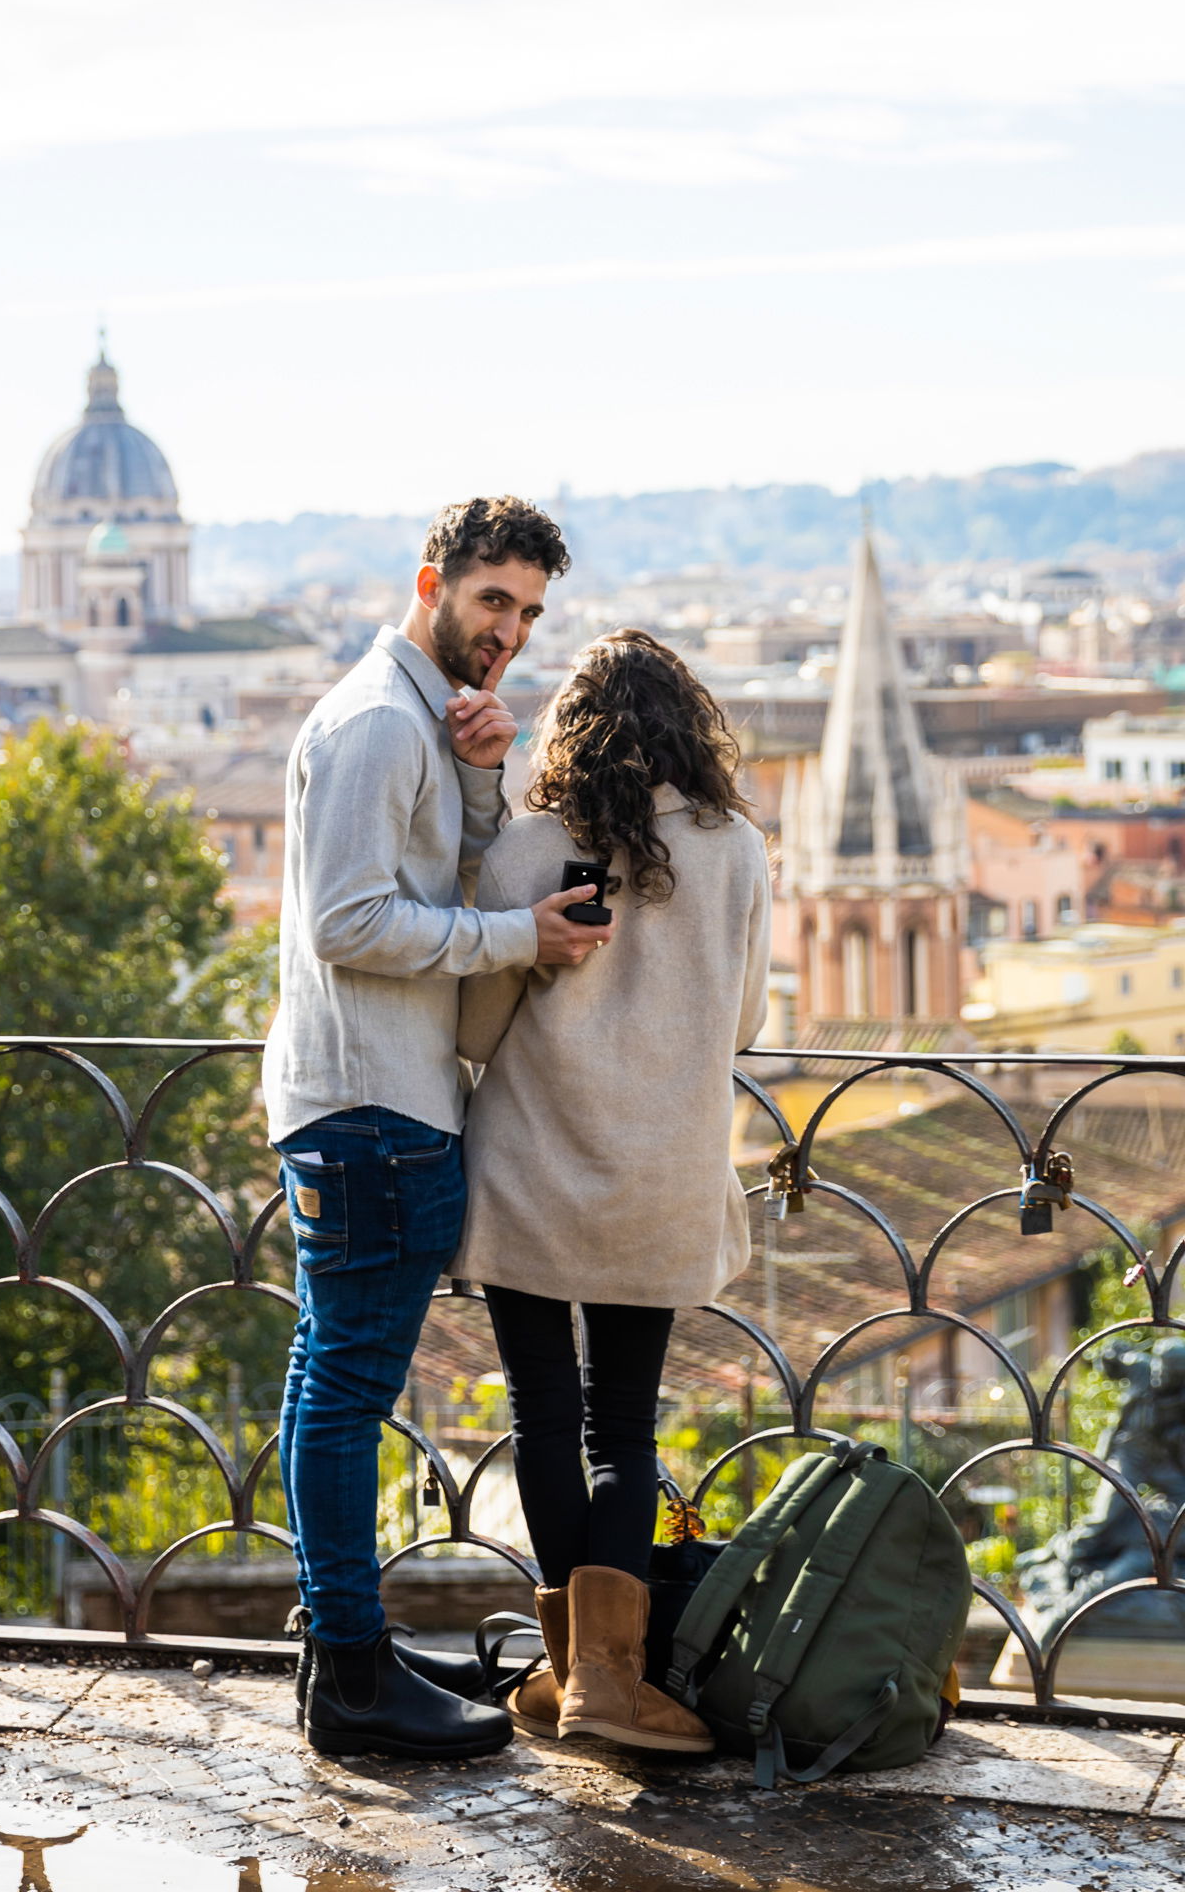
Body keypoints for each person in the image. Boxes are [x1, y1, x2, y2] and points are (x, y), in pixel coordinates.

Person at [262, 496, 613, 1760]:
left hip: (371, 1098)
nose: (509, 632)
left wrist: (477, 773)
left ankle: (343, 1647)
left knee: (331, 1383)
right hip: (369, 1105)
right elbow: (352, 921)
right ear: (431, 582)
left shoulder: (414, 718)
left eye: (527, 612)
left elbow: (436, 875)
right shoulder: (369, 724)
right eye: (491, 603)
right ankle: (351, 1680)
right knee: (345, 1390)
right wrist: (520, 938)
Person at [450, 629, 771, 1755]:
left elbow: (478, 1028)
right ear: (692, 729)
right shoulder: (735, 847)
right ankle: (600, 1683)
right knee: (621, 1429)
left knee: (541, 1417)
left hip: (531, 1169)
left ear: (573, 734)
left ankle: (570, 1673)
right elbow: (743, 1024)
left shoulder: (529, 845)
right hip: (661, 1179)